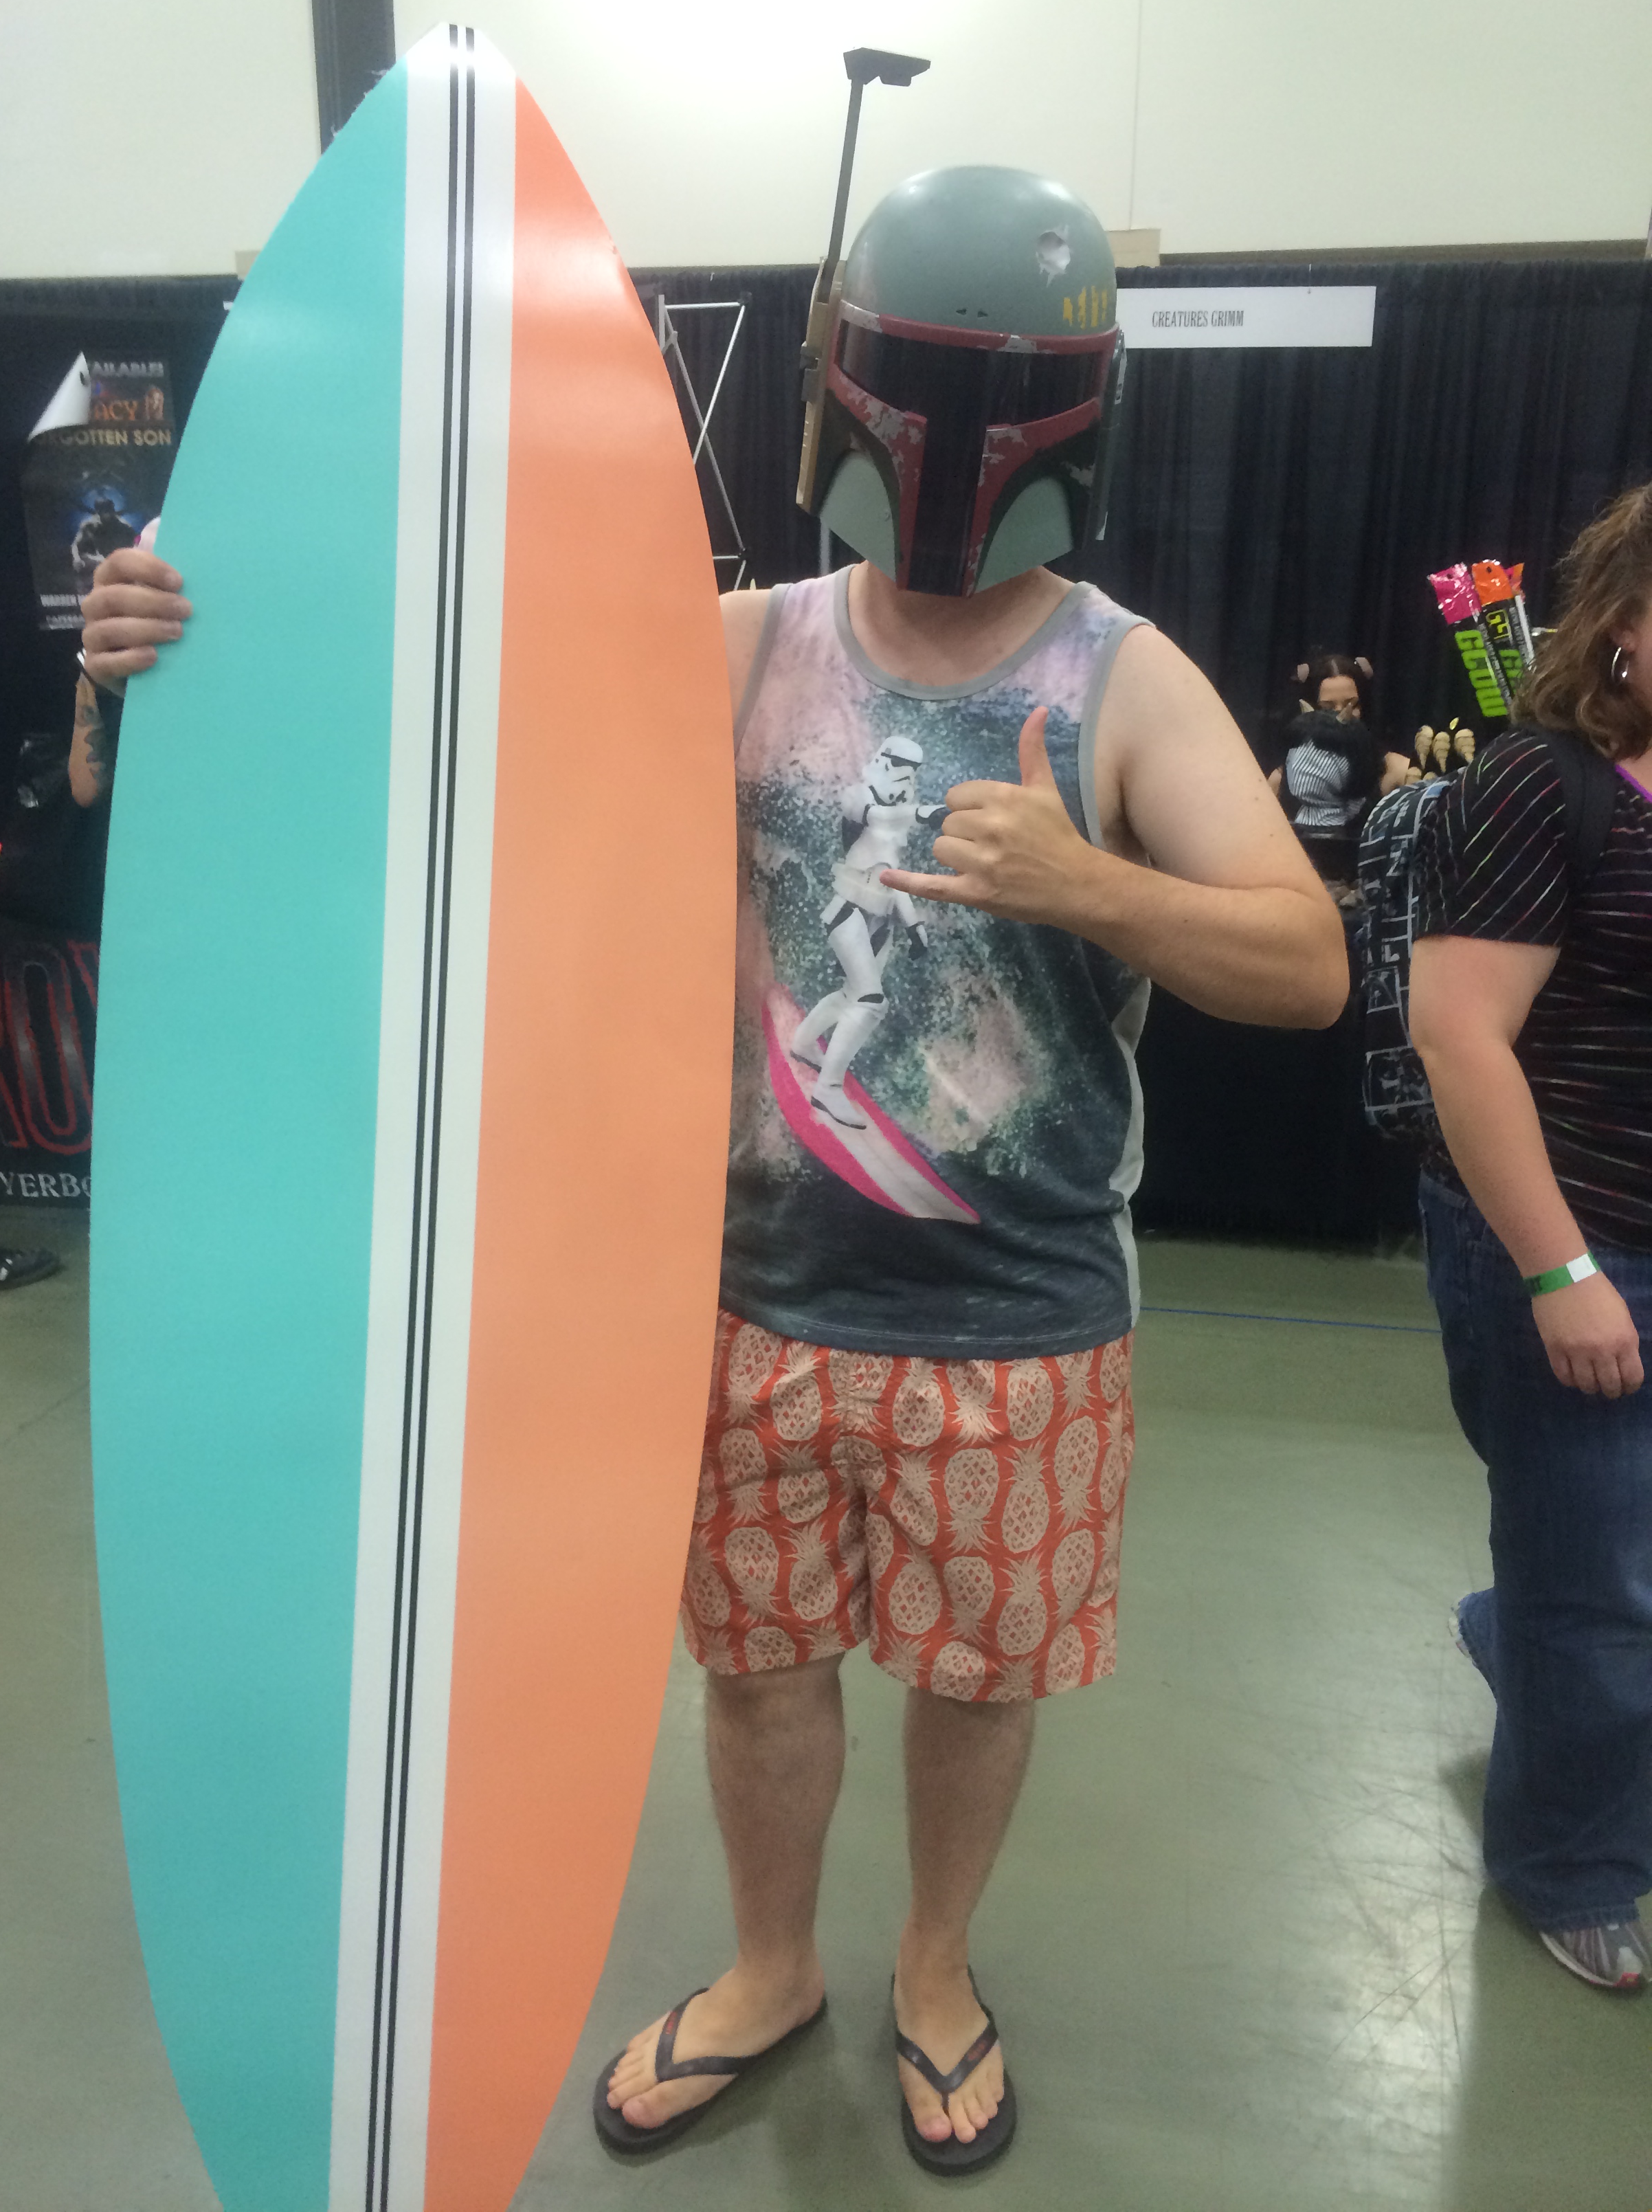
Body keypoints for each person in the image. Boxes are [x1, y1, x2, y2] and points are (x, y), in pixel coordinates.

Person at [83, 166, 1346, 2169]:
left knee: (972, 1678)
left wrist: (1088, 882)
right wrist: (167, 644)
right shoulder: (742, 646)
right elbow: (428, 723)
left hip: (1017, 1324)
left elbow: (1306, 960)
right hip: (752, 1303)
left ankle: (933, 1966)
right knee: (756, 1671)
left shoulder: (1121, 679)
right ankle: (771, 1967)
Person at [1409, 480, 1652, 1992]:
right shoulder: (1538, 785)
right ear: (1621, 627)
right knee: (1598, 1580)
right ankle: (1571, 1862)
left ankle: (1512, 1633)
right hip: (1577, 1237)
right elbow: (1459, 1034)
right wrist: (1561, 1270)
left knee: (1605, 1563)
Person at [1266, 652, 1408, 893]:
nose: (1342, 716)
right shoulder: (1281, 781)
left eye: (1353, 705)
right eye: (1328, 708)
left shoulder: (1396, 771)